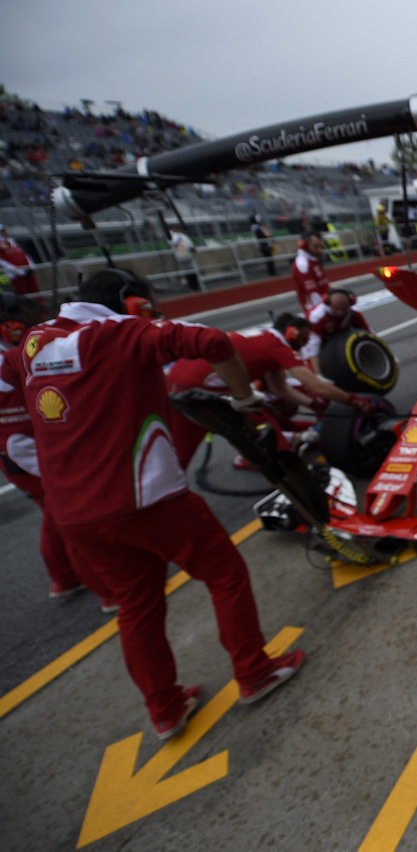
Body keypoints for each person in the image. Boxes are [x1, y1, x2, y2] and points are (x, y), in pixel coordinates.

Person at [10, 268, 305, 740]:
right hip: (144, 496)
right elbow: (213, 343)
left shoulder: (32, 344)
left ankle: (165, 709)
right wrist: (244, 396)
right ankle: (254, 671)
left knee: (136, 606)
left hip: (73, 513)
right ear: (131, 301)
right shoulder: (121, 332)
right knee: (225, 574)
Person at [0, 294, 114, 610]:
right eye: (37, 319)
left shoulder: (10, 356)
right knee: (73, 522)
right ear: (11, 328)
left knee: (52, 516)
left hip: (18, 458)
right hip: (30, 457)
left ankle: (64, 578)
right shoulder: (13, 360)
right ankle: (109, 591)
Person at [166, 311, 376, 469]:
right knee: (269, 432)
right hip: (203, 389)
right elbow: (316, 385)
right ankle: (291, 476)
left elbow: (279, 387)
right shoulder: (278, 345)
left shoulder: (264, 338)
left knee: (179, 455)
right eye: (303, 338)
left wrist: (314, 405)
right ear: (291, 330)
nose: (303, 346)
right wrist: (355, 401)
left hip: (177, 382)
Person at [292, 230, 329, 312]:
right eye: (316, 247)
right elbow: (313, 295)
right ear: (304, 245)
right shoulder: (303, 264)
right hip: (317, 311)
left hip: (325, 305)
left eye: (321, 246)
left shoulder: (313, 259)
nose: (320, 250)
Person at [0, 224, 37, 296]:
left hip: (27, 270)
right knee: (23, 294)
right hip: (15, 275)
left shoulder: (11, 241)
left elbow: (23, 254)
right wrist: (19, 271)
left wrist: (31, 266)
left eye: (3, 231)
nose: (3, 233)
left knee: (35, 291)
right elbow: (1, 261)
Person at [168, 224, 199, 291]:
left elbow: (190, 243)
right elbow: (174, 243)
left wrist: (192, 249)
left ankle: (195, 285)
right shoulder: (174, 235)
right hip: (182, 254)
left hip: (187, 254)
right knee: (187, 271)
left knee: (192, 270)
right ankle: (192, 286)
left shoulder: (182, 235)